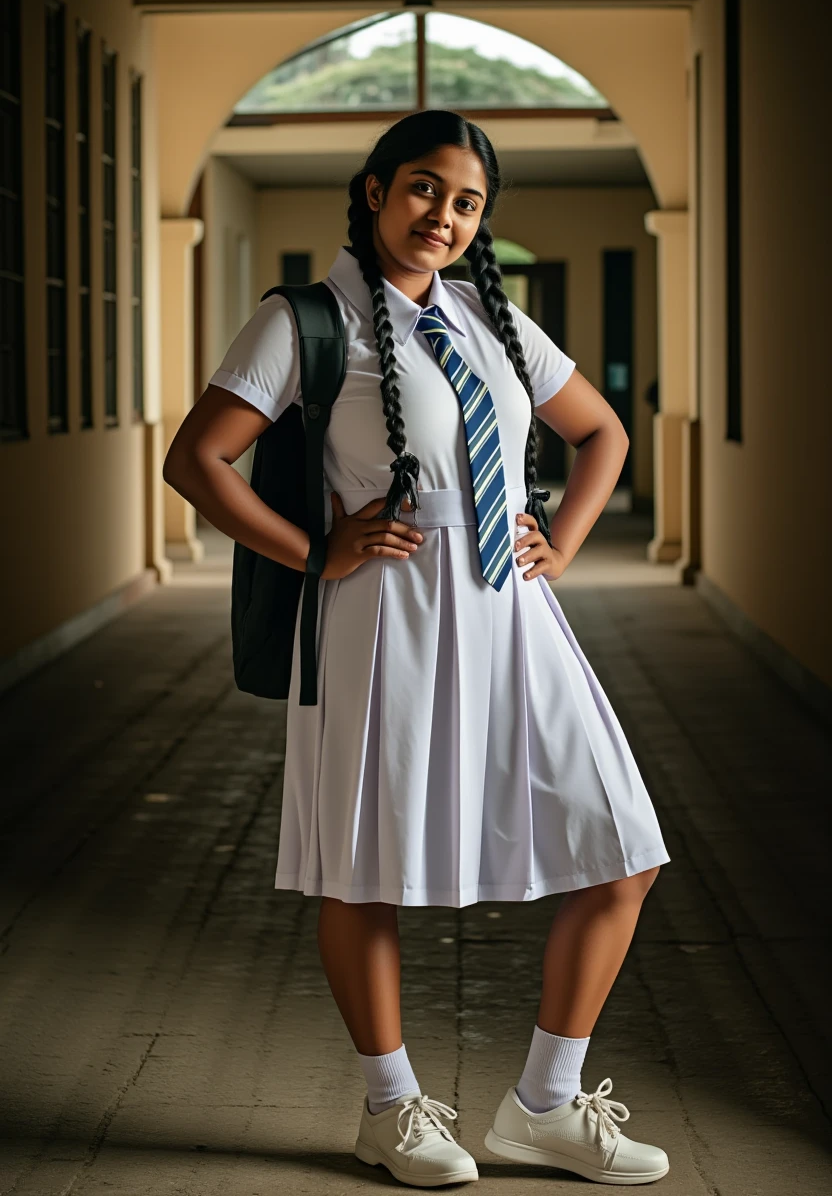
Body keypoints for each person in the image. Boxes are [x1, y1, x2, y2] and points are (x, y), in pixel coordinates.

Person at [163, 109, 671, 1188]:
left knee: (624, 848)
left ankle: (542, 1102)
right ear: (375, 188)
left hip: (512, 614)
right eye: (425, 189)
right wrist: (313, 551)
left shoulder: (494, 318)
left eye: (468, 201)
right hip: (382, 618)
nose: (444, 215)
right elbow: (197, 458)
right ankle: (391, 1109)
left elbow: (603, 431)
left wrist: (562, 543)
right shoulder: (304, 321)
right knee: (366, 868)